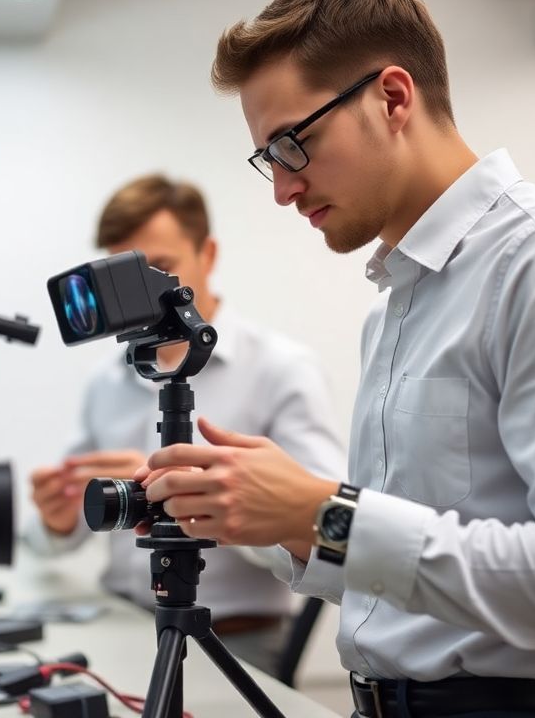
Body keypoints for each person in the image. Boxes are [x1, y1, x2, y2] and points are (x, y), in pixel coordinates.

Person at [137, 0, 535, 718]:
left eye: (294, 143)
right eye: (269, 157)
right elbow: (410, 585)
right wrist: (259, 517)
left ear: (393, 98)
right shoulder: (399, 306)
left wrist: (321, 511)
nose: (282, 189)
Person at [24, 173, 345, 676]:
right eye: (120, 276)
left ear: (208, 255)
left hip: (235, 639)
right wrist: (56, 518)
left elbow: (329, 531)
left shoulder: (280, 369)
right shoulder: (107, 381)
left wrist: (198, 494)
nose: (135, 294)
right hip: (123, 623)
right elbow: (45, 541)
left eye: (157, 268)